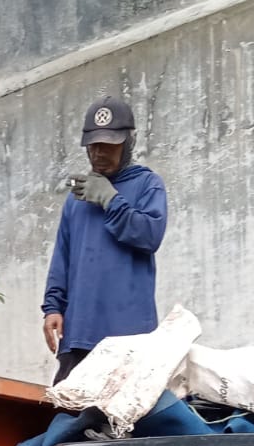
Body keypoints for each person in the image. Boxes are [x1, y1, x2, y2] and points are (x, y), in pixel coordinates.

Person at [41, 95, 168, 384]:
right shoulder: (77, 198)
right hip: (79, 333)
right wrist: (53, 308)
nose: (99, 153)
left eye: (110, 145)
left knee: (128, 424)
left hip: (129, 336)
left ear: (129, 143)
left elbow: (150, 235)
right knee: (66, 417)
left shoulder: (147, 184)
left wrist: (112, 201)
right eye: (94, 145)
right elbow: (62, 257)